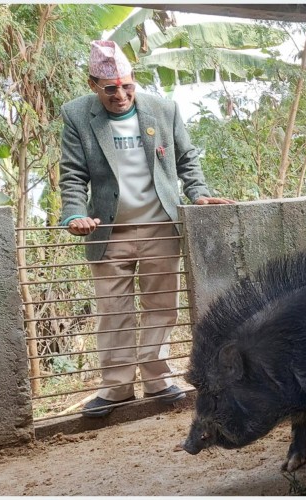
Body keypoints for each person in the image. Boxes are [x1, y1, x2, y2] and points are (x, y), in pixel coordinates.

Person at [59, 40, 235, 418]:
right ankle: (117, 388)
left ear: (133, 80)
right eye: (110, 89)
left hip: (159, 225)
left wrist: (199, 194)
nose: (120, 95)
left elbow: (187, 159)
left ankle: (157, 380)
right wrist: (75, 215)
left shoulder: (163, 109)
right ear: (93, 85)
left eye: (127, 86)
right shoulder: (76, 115)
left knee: (161, 307)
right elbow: (72, 175)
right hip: (109, 230)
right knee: (113, 310)